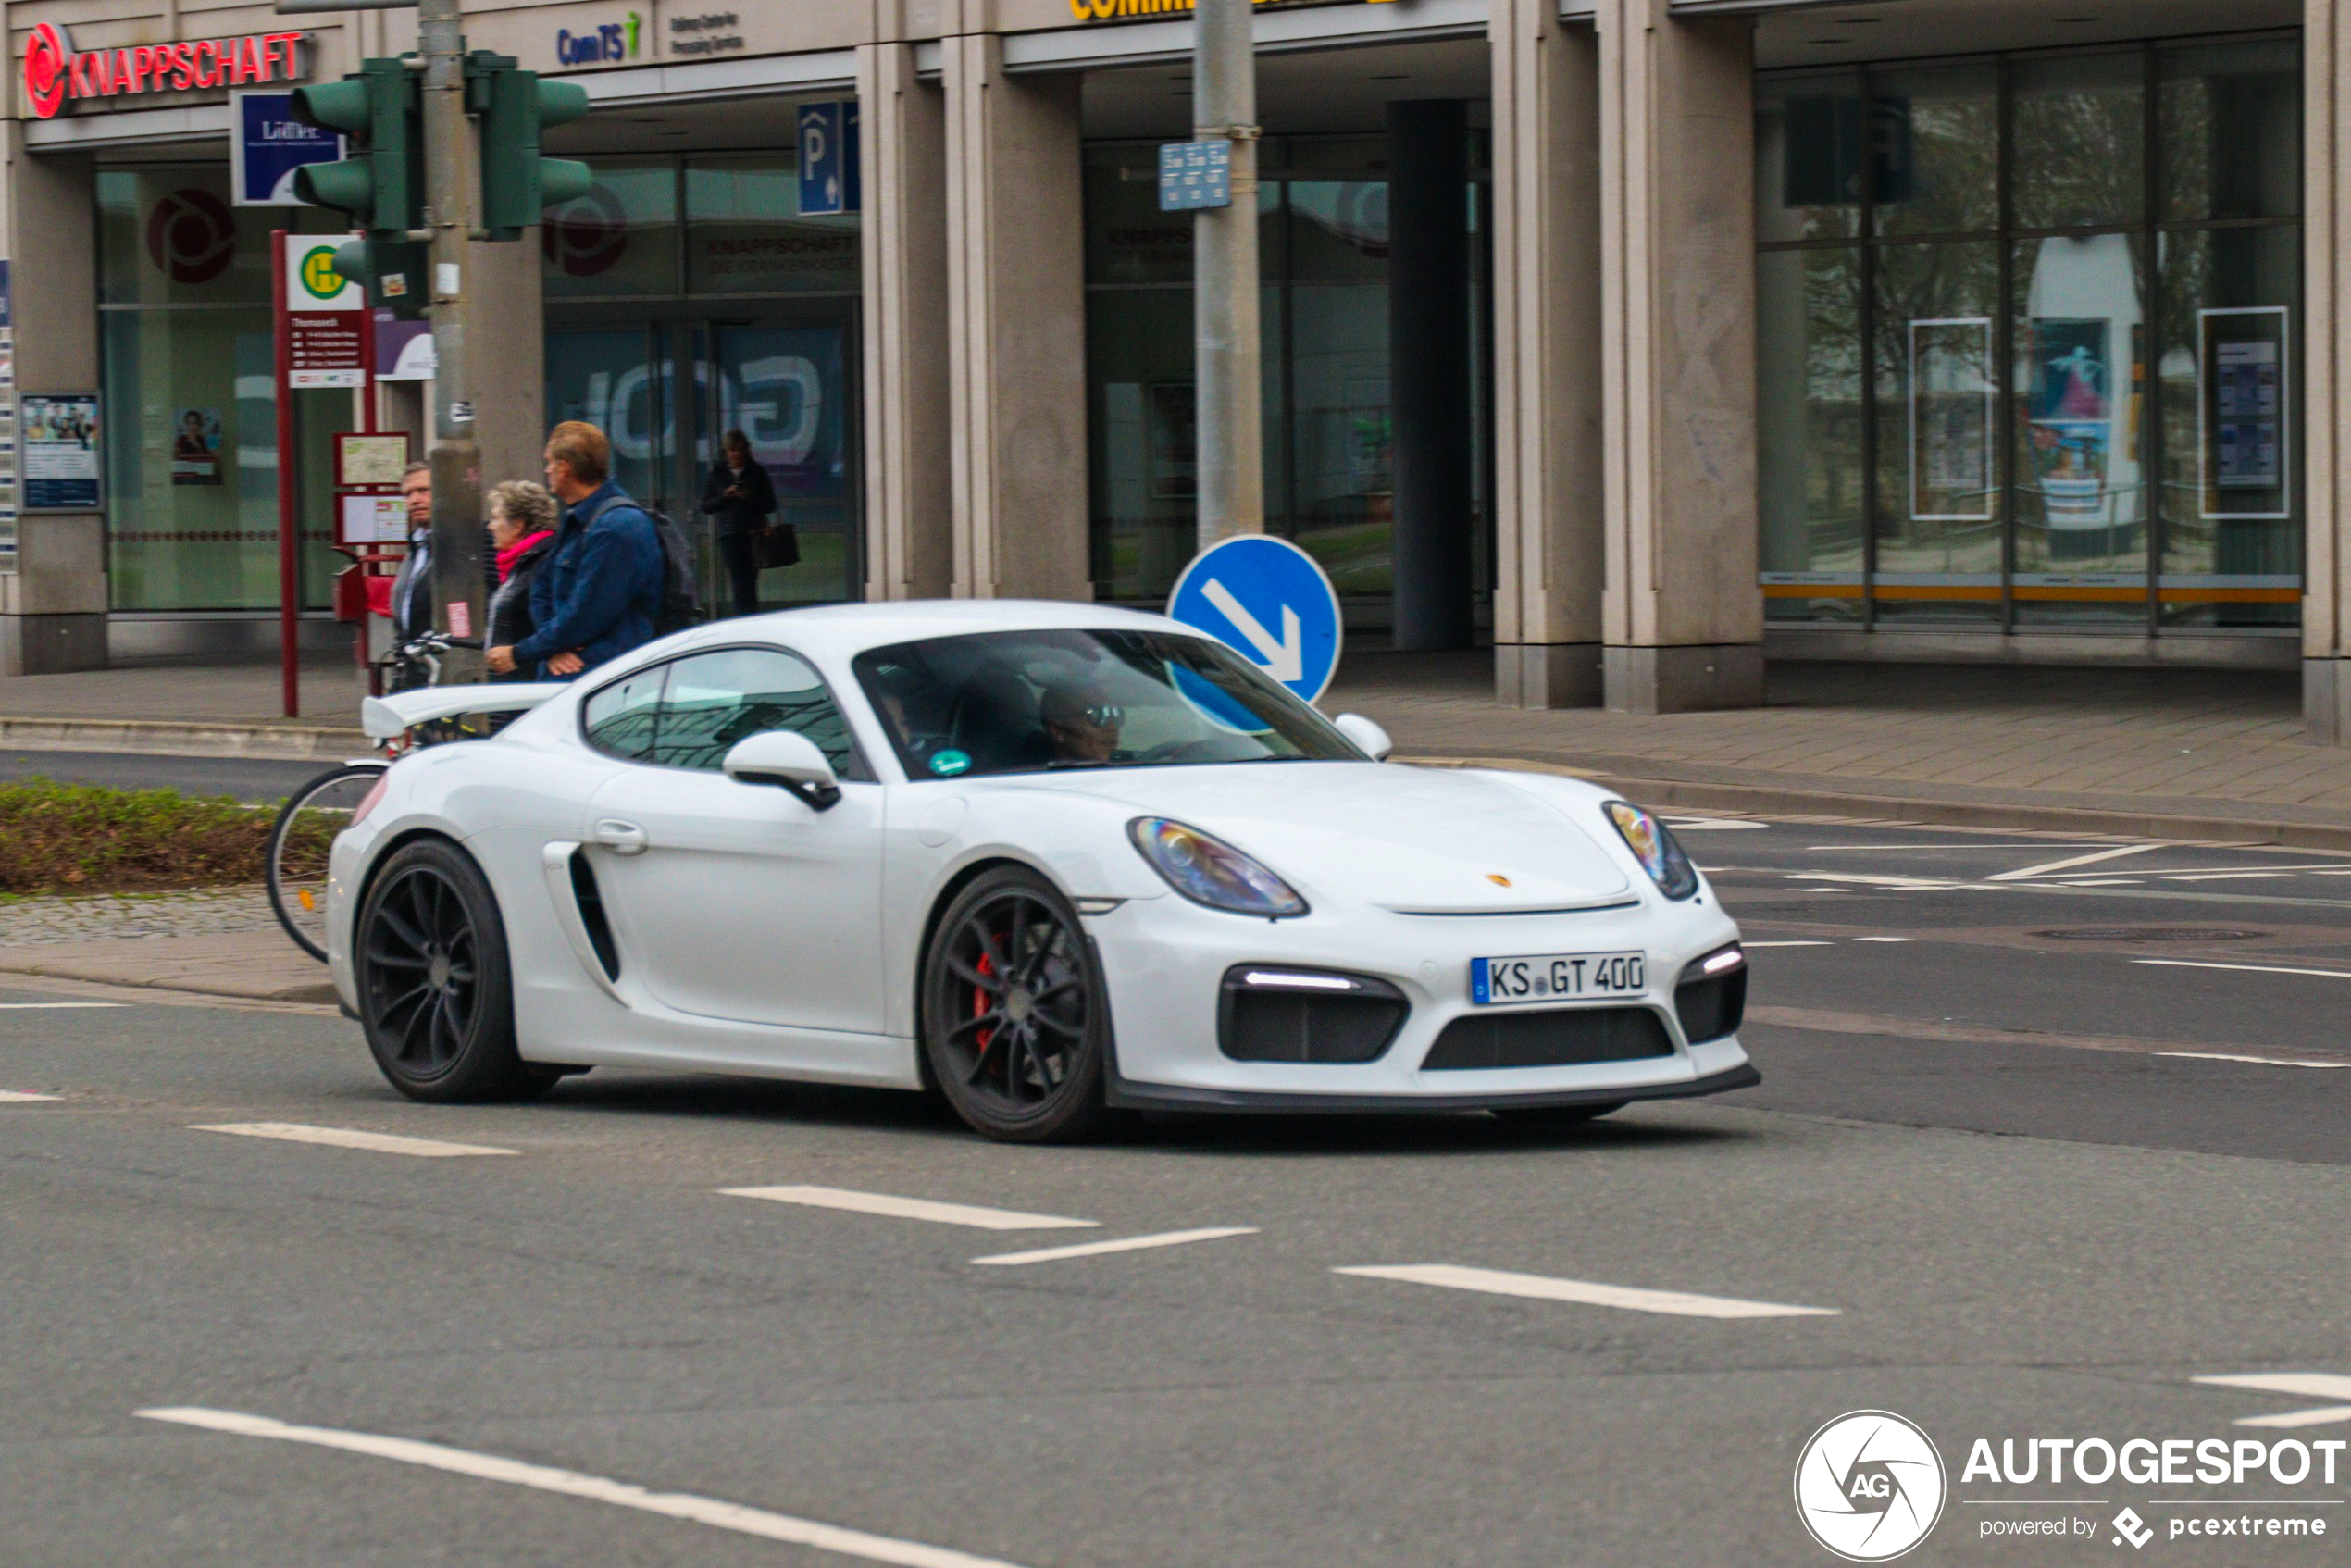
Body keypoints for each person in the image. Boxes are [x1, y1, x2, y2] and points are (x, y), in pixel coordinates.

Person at [485, 421, 663, 681]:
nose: (546, 470)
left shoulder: (616, 528)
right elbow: (540, 590)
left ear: (564, 468)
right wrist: (554, 648)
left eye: (549, 463)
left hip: (606, 682)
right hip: (571, 676)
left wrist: (520, 653)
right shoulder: (577, 521)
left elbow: (586, 614)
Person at [483, 479, 559, 683]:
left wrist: (519, 654)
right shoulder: (519, 565)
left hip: (530, 686)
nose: (490, 527)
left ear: (517, 525)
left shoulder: (544, 563)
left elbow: (557, 624)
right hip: (512, 684)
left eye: (495, 518)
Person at [698, 429, 777, 617]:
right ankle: (744, 617)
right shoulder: (718, 472)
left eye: (742, 450)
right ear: (726, 452)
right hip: (730, 534)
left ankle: (748, 617)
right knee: (738, 579)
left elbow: (770, 504)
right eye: (733, 450)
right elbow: (706, 505)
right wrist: (725, 497)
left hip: (753, 534)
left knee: (749, 581)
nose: (738, 455)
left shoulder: (756, 472)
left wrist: (751, 496)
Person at [1039, 683, 1125, 765]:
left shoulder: (1128, 768)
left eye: (1117, 714)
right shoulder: (1036, 777)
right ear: (1057, 730)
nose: (1112, 727)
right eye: (1097, 715)